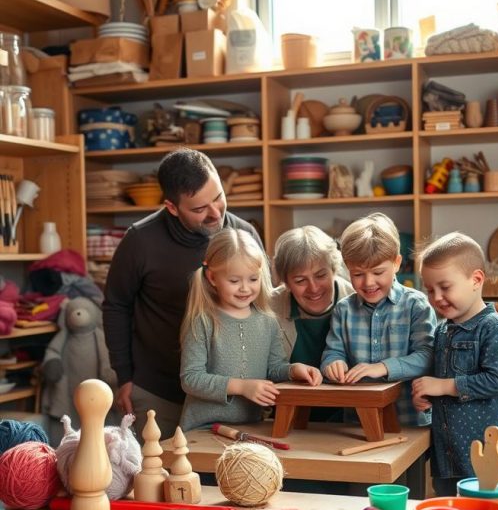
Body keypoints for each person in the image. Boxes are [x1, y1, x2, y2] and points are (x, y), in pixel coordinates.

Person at [103, 148, 263, 440]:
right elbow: (116, 306)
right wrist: (124, 377)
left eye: (218, 198)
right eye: (200, 209)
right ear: (172, 207)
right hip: (158, 390)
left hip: (229, 394)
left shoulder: (245, 235)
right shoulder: (140, 240)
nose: (216, 214)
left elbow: (264, 310)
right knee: (157, 478)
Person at [412, 231, 498, 496]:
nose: (436, 297)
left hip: (490, 459)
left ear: (476, 280)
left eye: (445, 287)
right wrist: (426, 396)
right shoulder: (441, 331)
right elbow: (439, 384)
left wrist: (444, 386)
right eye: (429, 290)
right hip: (449, 458)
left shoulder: (493, 329)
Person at [179, 228, 322, 432]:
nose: (245, 288)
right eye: (234, 281)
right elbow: (191, 378)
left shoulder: (267, 321)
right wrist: (242, 387)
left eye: (253, 279)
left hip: (252, 429)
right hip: (204, 429)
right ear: (212, 278)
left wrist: (293, 370)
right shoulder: (202, 321)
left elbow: (273, 369)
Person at [320, 213, 435, 428]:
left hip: (410, 422)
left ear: (397, 263)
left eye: (378, 272)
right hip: (358, 424)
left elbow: (427, 356)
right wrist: (332, 363)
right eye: (358, 274)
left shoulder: (416, 305)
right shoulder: (343, 310)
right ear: (347, 268)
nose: (368, 282)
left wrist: (383, 367)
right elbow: (333, 351)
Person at [271, 226, 353, 367]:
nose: (314, 288)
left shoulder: (357, 299)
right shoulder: (269, 308)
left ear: (333, 270)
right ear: (286, 283)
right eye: (300, 281)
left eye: (320, 275)